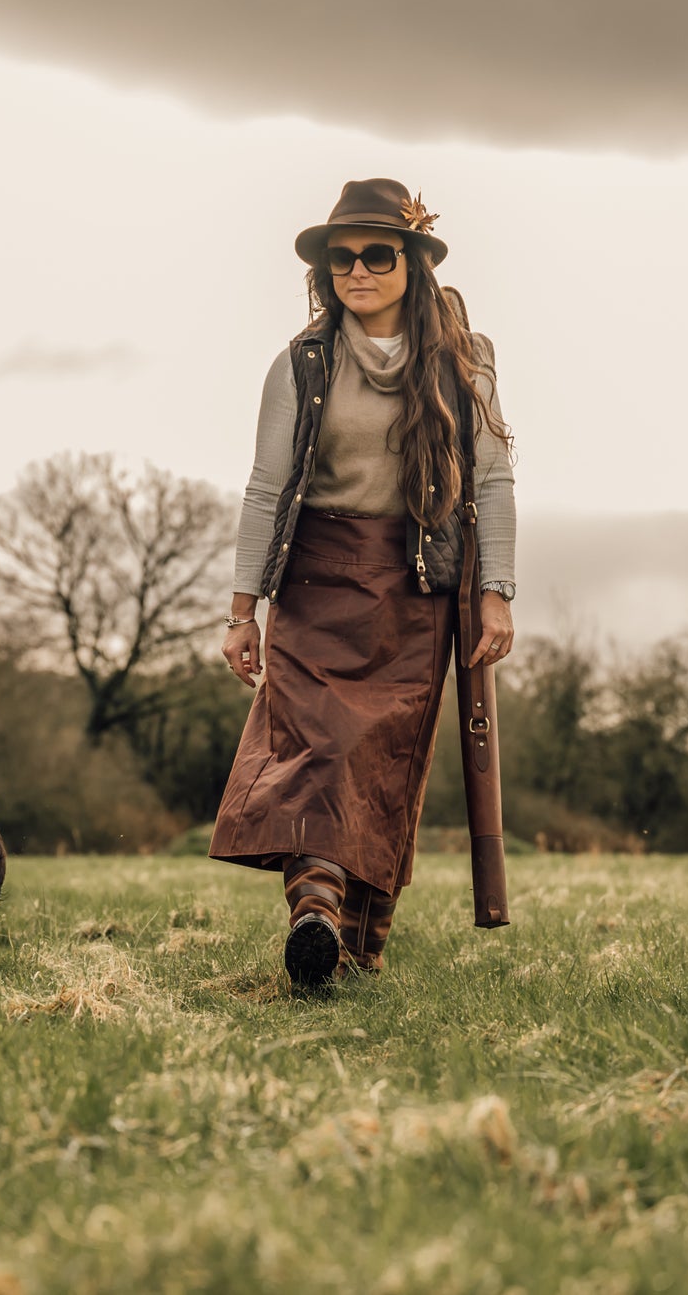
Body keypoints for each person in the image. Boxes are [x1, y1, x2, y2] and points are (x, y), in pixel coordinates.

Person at [209, 177, 516, 990]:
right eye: (340, 258)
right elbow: (263, 487)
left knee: (383, 764)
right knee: (317, 750)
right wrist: (242, 609)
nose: (357, 270)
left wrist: (498, 590)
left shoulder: (464, 357)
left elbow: (493, 481)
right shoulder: (301, 362)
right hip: (313, 578)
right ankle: (313, 913)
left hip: (416, 586)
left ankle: (357, 949)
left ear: (411, 263)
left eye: (376, 254)